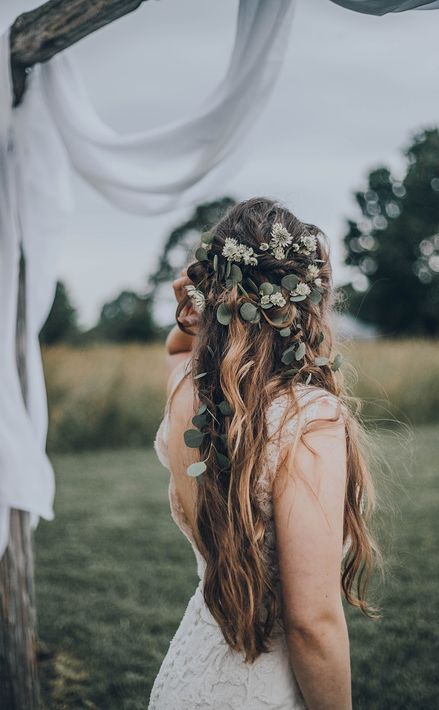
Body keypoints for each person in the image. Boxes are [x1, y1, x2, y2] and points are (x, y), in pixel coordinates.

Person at [148, 197, 377, 710]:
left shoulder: (189, 394)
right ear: (303, 297)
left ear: (216, 295)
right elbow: (311, 623)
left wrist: (190, 301)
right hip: (262, 692)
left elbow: (180, 349)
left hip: (189, 677)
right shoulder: (308, 418)